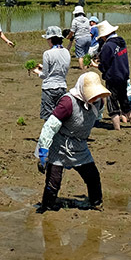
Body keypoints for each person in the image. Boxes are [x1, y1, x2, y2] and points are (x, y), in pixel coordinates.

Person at [36, 73, 110, 212]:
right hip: (59, 145)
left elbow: (96, 116)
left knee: (92, 176)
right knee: (54, 182)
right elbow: (50, 126)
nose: (94, 98)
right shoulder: (67, 103)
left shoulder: (99, 102)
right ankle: (46, 207)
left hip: (80, 145)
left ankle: (96, 203)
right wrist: (43, 150)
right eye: (92, 95)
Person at [94, 20, 131, 129]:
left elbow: (105, 65)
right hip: (124, 75)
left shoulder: (108, 46)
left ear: (105, 35)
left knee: (112, 104)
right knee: (125, 101)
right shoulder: (121, 41)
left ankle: (117, 129)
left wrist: (97, 65)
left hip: (113, 77)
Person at [33, 26, 72, 120]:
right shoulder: (66, 52)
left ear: (51, 39)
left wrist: (37, 72)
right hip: (62, 87)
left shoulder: (47, 53)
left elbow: (45, 75)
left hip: (49, 88)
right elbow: (61, 68)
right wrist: (43, 67)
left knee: (48, 116)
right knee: (59, 115)